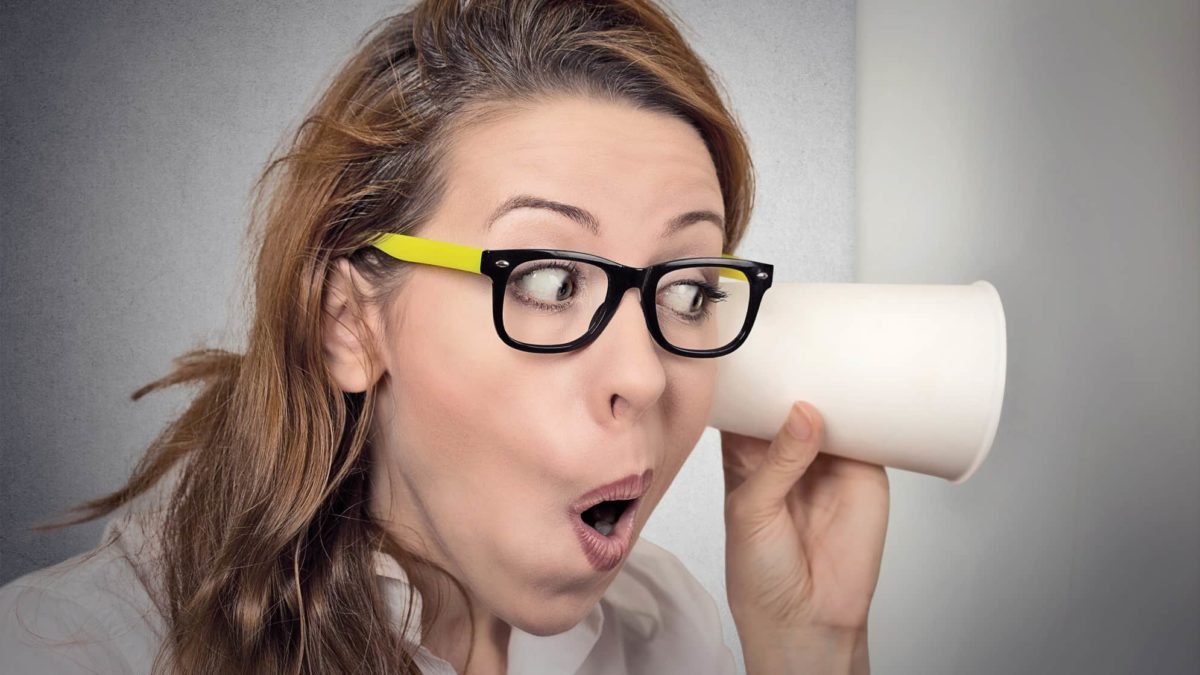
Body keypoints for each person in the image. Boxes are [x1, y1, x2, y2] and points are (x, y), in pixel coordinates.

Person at [0, 0, 890, 673]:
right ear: (348, 322)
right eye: (550, 280)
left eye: (689, 289)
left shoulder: (667, 630)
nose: (647, 377)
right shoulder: (68, 650)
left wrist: (814, 650)